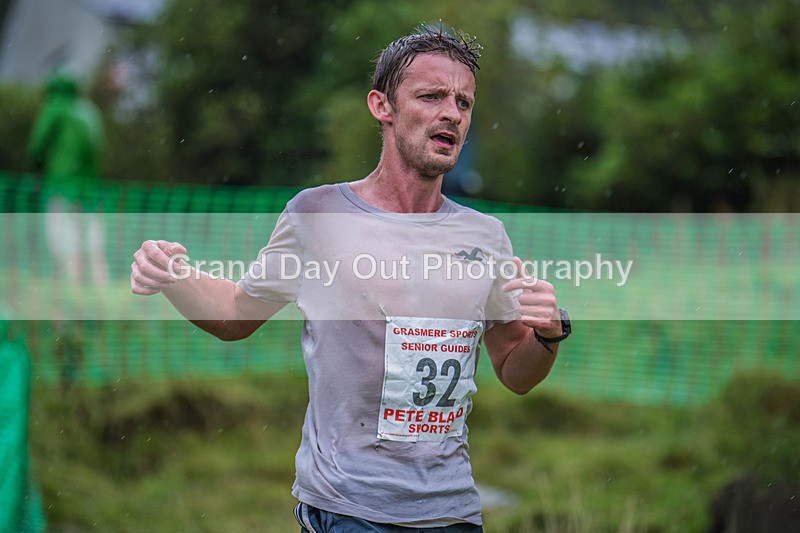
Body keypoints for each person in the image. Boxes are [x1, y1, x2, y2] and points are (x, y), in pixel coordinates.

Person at [131, 25, 571, 532]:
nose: (452, 113)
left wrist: (549, 333)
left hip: (452, 510)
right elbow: (235, 313)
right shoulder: (318, 215)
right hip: (347, 508)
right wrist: (173, 277)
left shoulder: (486, 235)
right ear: (382, 106)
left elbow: (515, 370)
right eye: (431, 96)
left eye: (463, 102)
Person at [27, 70, 109, 286]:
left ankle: (73, 293)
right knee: (94, 246)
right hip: (90, 190)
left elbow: (36, 147)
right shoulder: (90, 111)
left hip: (60, 187)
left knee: (66, 244)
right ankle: (103, 293)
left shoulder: (55, 107)